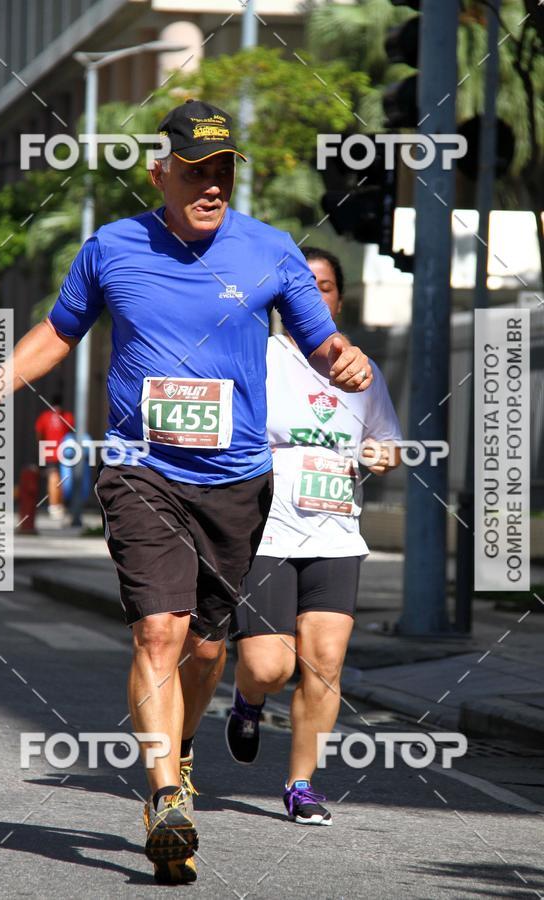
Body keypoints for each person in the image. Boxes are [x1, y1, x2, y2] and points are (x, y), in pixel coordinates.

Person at [0, 101, 373, 884]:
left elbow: (323, 342)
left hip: (236, 478)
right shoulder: (110, 248)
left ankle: (179, 746)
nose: (212, 185)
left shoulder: (271, 251)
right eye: (196, 170)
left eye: (223, 171)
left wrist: (348, 362)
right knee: (160, 634)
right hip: (140, 467)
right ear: (160, 171)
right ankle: (166, 796)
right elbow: (57, 333)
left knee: (208, 647)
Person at [226, 246, 402, 827]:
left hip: (336, 533)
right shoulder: (260, 358)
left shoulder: (360, 370)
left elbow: (388, 441)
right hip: (268, 530)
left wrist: (382, 454)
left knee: (325, 663)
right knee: (271, 667)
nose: (315, 296)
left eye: (325, 287)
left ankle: (301, 783)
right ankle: (249, 700)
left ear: (339, 298)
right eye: (304, 286)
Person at [34, 392, 75, 521]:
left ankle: (55, 505)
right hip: (65, 453)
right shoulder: (67, 416)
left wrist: (42, 447)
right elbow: (71, 434)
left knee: (53, 479)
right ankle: (56, 505)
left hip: (50, 452)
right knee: (60, 480)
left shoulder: (45, 416)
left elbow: (39, 433)